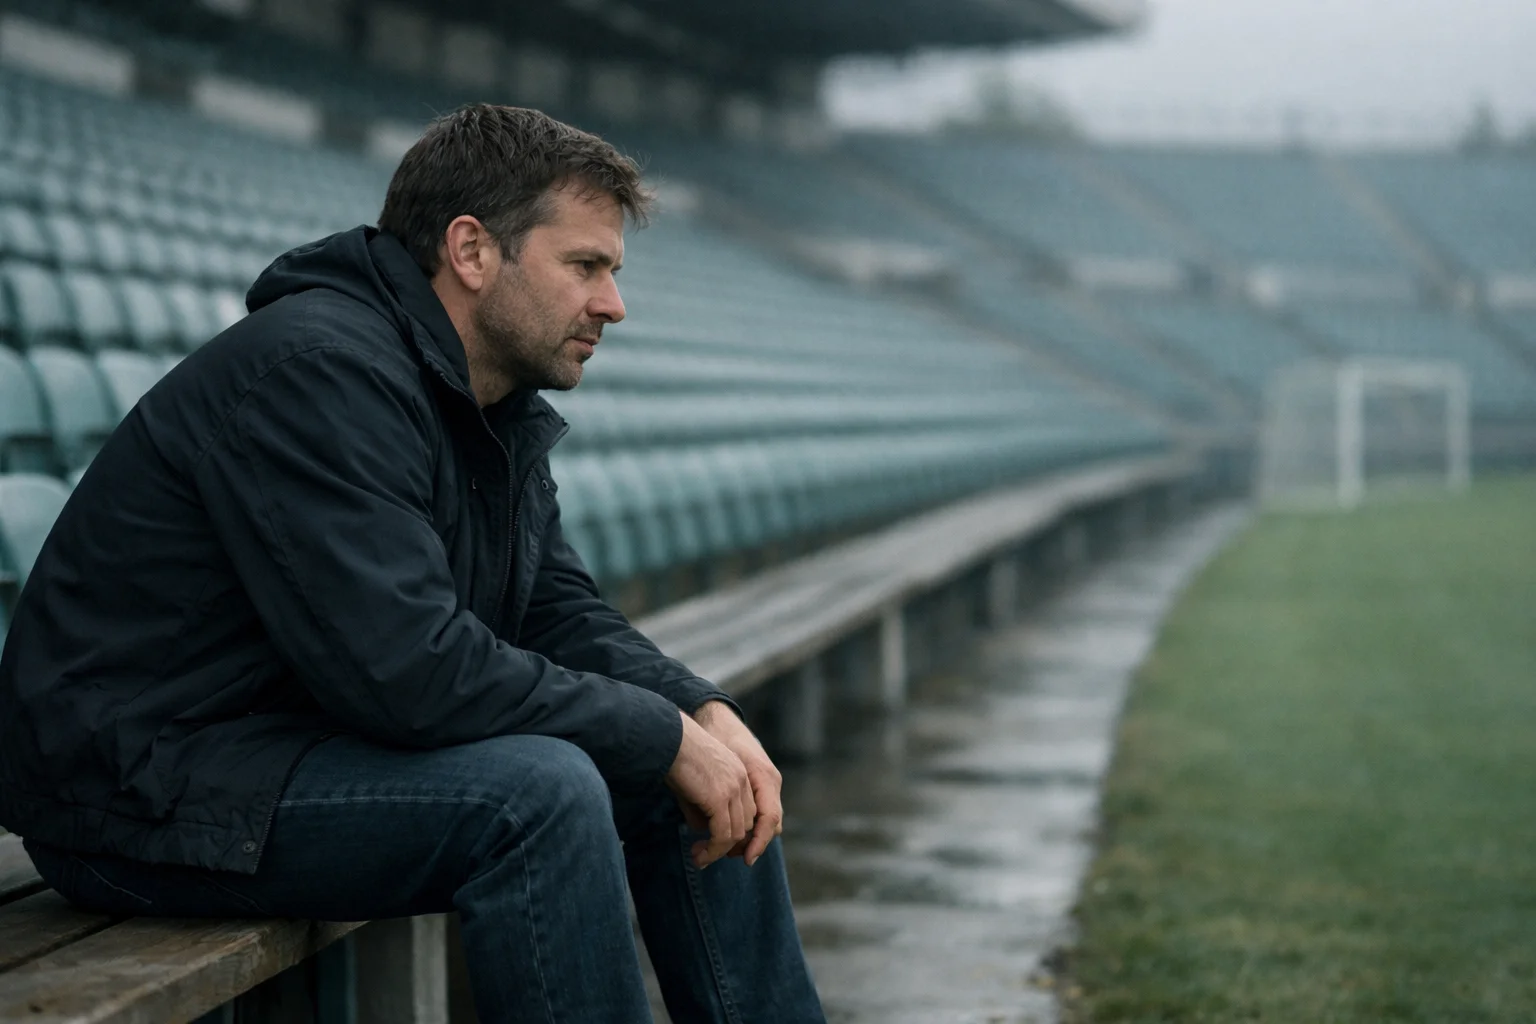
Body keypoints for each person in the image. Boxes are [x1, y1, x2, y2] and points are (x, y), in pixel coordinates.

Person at [0, 104, 826, 1023]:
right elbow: (407, 670)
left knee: (703, 772)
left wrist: (696, 710)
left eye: (613, 272)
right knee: (541, 796)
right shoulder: (318, 372)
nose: (613, 304)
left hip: (284, 748)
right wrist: (658, 733)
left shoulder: (484, 401)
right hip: (142, 793)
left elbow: (557, 612)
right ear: (471, 252)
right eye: (584, 266)